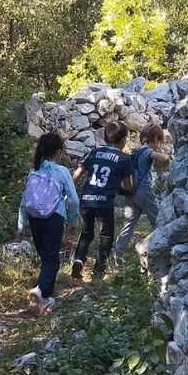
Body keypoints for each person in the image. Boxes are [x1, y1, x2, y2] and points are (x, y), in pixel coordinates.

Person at [16, 131, 79, 314]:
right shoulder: (62, 171)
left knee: (46, 258)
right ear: (59, 152)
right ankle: (40, 291)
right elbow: (73, 201)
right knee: (52, 261)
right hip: (54, 218)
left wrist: (20, 228)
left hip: (34, 219)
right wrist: (73, 224)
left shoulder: (34, 170)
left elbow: (24, 202)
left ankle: (43, 300)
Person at [70, 120, 132, 282]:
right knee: (106, 237)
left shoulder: (94, 152)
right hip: (104, 202)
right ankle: (98, 270)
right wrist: (122, 187)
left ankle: (79, 260)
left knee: (86, 232)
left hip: (86, 200)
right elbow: (128, 185)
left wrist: (69, 190)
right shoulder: (124, 159)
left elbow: (78, 173)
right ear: (123, 140)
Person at [114, 122, 172, 258]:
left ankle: (118, 253)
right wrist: (167, 161)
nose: (159, 144)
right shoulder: (147, 151)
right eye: (159, 141)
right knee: (158, 219)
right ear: (156, 138)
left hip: (130, 193)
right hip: (143, 191)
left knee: (129, 224)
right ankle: (159, 249)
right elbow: (163, 158)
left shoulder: (135, 151)